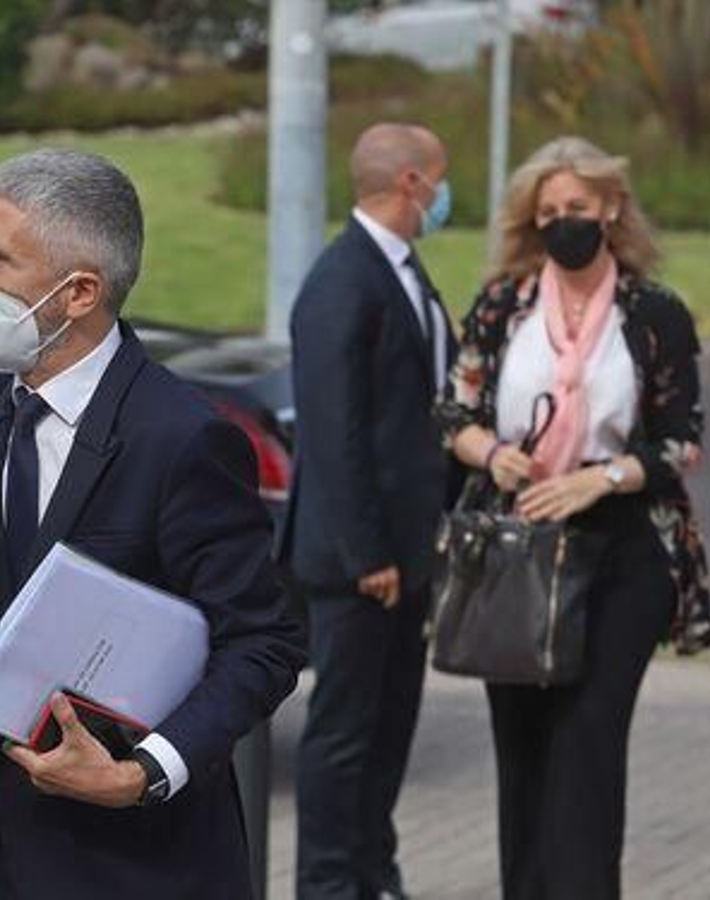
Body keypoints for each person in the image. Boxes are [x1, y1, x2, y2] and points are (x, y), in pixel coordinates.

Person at [0, 148, 306, 900]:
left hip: (133, 862)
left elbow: (263, 642)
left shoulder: (182, 437)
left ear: (78, 293)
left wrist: (143, 773)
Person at [437, 136, 710, 899]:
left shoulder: (655, 313)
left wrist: (603, 479)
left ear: (612, 210)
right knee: (522, 748)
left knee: (588, 746)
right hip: (516, 548)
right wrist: (491, 451)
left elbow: (682, 440)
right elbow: (452, 413)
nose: (565, 223)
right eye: (550, 212)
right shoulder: (502, 306)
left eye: (579, 210)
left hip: (621, 551)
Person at [282, 123, 457, 900]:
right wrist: (368, 555)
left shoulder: (404, 270)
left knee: (390, 729)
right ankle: (327, 884)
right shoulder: (341, 280)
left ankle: (372, 873)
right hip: (361, 561)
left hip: (409, 552)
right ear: (413, 183)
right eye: (442, 178)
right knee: (345, 735)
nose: (448, 194)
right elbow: (333, 430)